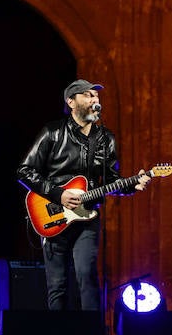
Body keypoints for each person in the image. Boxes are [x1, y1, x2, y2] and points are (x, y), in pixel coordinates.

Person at [16, 79, 149, 313]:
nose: (94, 99)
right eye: (87, 95)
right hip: (53, 214)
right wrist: (59, 194)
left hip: (87, 219)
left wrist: (131, 185)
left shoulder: (105, 139)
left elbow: (110, 180)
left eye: (96, 96)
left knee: (87, 277)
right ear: (71, 101)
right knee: (57, 285)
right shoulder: (53, 132)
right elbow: (24, 171)